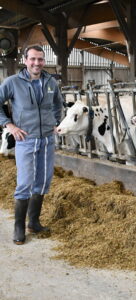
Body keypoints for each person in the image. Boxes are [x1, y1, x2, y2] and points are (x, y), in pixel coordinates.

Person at [0, 45, 63, 245]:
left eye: (41, 59)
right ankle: (19, 226)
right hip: (25, 139)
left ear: (44, 61)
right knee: (25, 182)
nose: (37, 63)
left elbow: (57, 104)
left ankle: (33, 222)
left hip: (47, 139)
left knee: (43, 181)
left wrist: (54, 122)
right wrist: (9, 125)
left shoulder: (51, 81)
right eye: (33, 59)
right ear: (25, 60)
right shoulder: (12, 82)